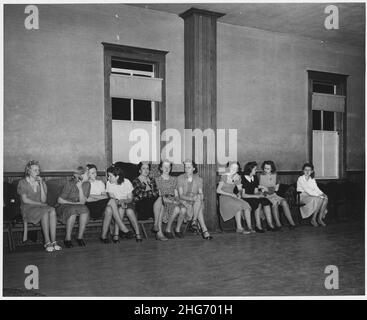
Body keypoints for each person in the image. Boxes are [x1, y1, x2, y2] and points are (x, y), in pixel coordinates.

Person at [17, 160, 62, 252]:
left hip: (40, 207)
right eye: (34, 170)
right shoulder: (23, 182)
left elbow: (43, 200)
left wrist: (41, 184)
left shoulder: (42, 182)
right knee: (45, 212)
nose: (37, 172)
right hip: (28, 208)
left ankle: (54, 241)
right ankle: (47, 241)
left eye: (38, 170)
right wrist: (40, 204)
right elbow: (25, 200)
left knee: (52, 210)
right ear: (29, 171)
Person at [85, 164, 125, 243]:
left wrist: (93, 196)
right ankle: (122, 227)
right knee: (112, 200)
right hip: (90, 206)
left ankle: (103, 236)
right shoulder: (85, 183)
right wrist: (98, 196)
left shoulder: (100, 183)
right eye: (92, 173)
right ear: (87, 174)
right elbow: (87, 199)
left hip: (100, 205)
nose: (95, 174)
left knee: (109, 209)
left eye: (95, 172)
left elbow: (104, 197)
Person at [106, 165, 143, 242]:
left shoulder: (126, 182)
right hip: (116, 204)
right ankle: (116, 234)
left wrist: (123, 201)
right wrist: (120, 202)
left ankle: (137, 233)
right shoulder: (109, 183)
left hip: (127, 201)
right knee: (120, 209)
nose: (108, 178)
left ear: (117, 177)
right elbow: (112, 199)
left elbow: (130, 198)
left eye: (110, 176)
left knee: (130, 212)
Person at [177, 160, 212, 240]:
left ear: (193, 168)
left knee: (199, 199)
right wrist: (192, 198)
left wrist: (200, 196)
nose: (186, 169)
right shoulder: (180, 178)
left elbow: (201, 193)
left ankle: (195, 221)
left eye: (189, 167)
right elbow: (181, 195)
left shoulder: (198, 179)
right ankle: (203, 229)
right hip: (184, 201)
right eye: (185, 167)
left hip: (195, 201)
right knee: (198, 205)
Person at [56, 166, 90, 248]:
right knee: (72, 210)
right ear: (80, 176)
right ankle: (67, 238)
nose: (88, 175)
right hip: (64, 205)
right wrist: (72, 203)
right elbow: (60, 200)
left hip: (78, 205)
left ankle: (80, 237)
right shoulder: (69, 183)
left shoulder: (87, 184)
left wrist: (80, 188)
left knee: (85, 209)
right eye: (87, 174)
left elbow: (82, 202)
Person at [132, 162, 167, 241]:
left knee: (160, 201)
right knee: (160, 201)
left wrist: (150, 193)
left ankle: (156, 227)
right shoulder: (136, 181)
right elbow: (140, 195)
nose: (146, 170)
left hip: (153, 206)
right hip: (142, 206)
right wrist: (151, 193)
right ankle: (159, 232)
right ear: (139, 171)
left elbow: (156, 193)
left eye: (147, 168)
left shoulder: (151, 180)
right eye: (143, 168)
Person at [217, 162, 253, 234]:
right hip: (224, 197)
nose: (233, 169)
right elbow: (218, 190)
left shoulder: (237, 177)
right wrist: (231, 195)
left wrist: (239, 194)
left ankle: (250, 227)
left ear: (237, 169)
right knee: (238, 205)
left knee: (246, 204)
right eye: (232, 167)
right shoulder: (224, 176)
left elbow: (239, 189)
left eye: (235, 168)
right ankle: (239, 228)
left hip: (233, 196)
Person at [259, 161, 296, 230]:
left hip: (273, 194)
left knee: (284, 202)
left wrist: (267, 188)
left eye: (268, 169)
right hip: (265, 195)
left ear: (272, 169)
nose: (266, 170)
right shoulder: (261, 176)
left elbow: (276, 189)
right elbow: (262, 190)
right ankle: (278, 224)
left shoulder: (275, 175)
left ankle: (292, 223)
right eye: (265, 168)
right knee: (275, 203)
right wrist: (269, 188)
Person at [241, 161, 277, 232]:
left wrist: (260, 194)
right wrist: (255, 196)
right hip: (246, 198)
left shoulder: (254, 177)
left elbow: (255, 191)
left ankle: (270, 224)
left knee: (266, 201)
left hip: (253, 196)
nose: (256, 170)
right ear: (250, 170)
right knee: (258, 203)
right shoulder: (243, 178)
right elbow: (243, 195)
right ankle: (258, 225)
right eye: (255, 169)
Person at [155, 160, 187, 239]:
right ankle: (168, 229)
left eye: (168, 167)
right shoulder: (157, 179)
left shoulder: (174, 179)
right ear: (161, 168)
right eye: (164, 167)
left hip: (174, 199)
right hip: (164, 201)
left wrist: (178, 201)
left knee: (183, 209)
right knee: (176, 209)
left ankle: (177, 229)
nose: (167, 169)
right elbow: (160, 196)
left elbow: (176, 194)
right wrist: (173, 202)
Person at [297, 163, 328, 227]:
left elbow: (316, 189)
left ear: (312, 171)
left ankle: (319, 219)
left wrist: (323, 194)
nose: (307, 172)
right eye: (306, 170)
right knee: (320, 198)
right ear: (303, 171)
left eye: (309, 170)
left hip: (311, 196)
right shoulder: (300, 178)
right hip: (302, 196)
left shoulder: (312, 179)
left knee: (325, 198)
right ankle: (313, 219)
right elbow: (308, 191)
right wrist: (319, 195)